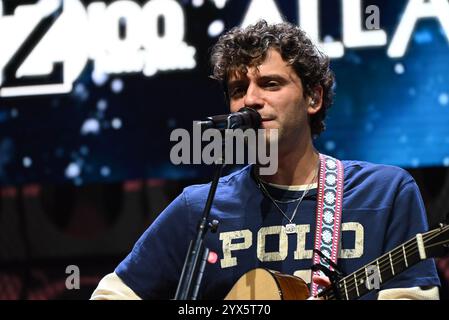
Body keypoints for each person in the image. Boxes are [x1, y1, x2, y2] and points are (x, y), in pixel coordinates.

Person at [91, 20, 440, 300]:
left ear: (313, 98)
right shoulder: (198, 208)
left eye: (270, 84)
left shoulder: (384, 193)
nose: (251, 100)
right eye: (238, 90)